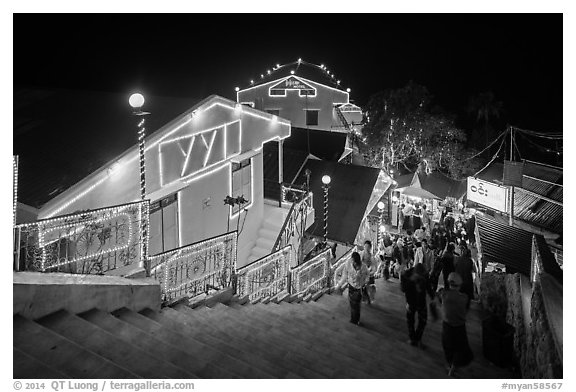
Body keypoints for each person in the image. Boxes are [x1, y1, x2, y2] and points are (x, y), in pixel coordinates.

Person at [437, 272, 473, 377]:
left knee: (448, 346)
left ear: (449, 283)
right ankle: (453, 367)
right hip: (459, 326)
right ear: (459, 285)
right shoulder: (464, 298)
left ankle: (449, 364)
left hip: (447, 325)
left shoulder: (444, 295)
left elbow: (439, 294)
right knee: (459, 348)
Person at [401, 263, 434, 347]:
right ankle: (412, 339)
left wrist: (433, 297)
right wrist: (411, 281)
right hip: (411, 300)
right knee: (410, 320)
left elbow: (428, 286)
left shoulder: (424, 275)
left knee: (423, 321)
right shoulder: (406, 275)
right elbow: (403, 289)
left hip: (421, 300)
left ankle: (418, 338)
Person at [335, 252, 369, 326]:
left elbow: (367, 275)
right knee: (352, 304)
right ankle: (354, 319)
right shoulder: (348, 263)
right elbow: (344, 275)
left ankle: (355, 320)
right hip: (351, 286)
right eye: (353, 261)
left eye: (355, 262)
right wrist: (339, 285)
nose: (354, 263)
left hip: (359, 287)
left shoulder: (363, 267)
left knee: (356, 304)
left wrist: (365, 282)